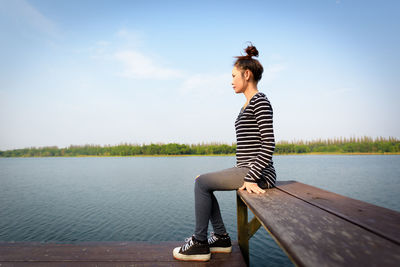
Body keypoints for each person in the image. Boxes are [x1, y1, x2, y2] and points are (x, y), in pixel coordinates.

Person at [173, 43, 276, 262]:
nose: (231, 81)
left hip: (258, 173)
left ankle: (199, 243)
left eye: (233, 76)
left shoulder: (260, 102)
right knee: (202, 181)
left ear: (246, 75)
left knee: (201, 185)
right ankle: (220, 237)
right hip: (245, 169)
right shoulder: (246, 106)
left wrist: (251, 176)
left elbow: (269, 145)